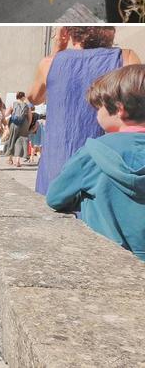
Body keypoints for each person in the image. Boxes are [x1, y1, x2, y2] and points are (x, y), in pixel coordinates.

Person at [46, 65, 145, 261]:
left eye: (98, 107)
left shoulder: (93, 153)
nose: (96, 113)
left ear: (119, 109)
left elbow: (55, 197)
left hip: (108, 259)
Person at [28, 26, 141, 194]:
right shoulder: (125, 57)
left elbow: (34, 97)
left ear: (69, 33)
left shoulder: (49, 63)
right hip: (105, 163)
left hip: (58, 163)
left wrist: (57, 50)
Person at [4, 92, 32, 168]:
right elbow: (30, 117)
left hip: (14, 124)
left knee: (12, 140)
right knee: (21, 141)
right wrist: (27, 125)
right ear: (23, 97)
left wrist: (6, 124)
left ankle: (10, 159)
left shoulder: (13, 104)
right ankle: (18, 161)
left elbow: (6, 114)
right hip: (24, 124)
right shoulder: (27, 105)